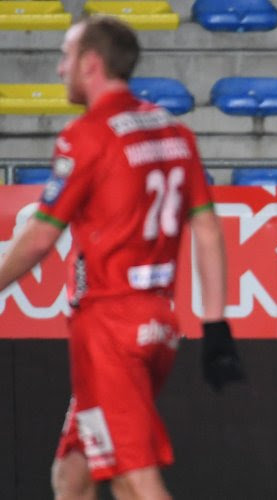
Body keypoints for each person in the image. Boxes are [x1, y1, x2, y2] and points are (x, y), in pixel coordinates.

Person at [0, 17, 243, 499]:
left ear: (91, 64)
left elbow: (38, 240)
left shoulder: (86, 135)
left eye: (65, 57)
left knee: (137, 478)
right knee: (75, 474)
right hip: (157, 323)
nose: (58, 68)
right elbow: (208, 230)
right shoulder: (175, 133)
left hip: (108, 327)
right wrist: (216, 325)